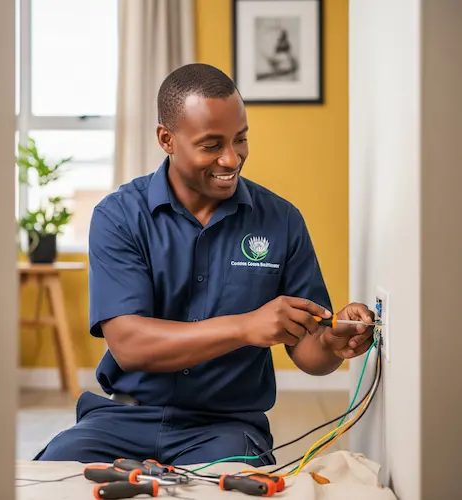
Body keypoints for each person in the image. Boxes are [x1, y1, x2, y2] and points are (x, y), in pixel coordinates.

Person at [36, 63, 375, 466]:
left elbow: (310, 354)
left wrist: (333, 344)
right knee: (50, 478)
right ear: (167, 138)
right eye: (212, 145)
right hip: (123, 418)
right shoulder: (119, 216)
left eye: (241, 139)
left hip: (227, 427)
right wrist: (247, 326)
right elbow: (130, 345)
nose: (232, 159)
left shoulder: (282, 220)